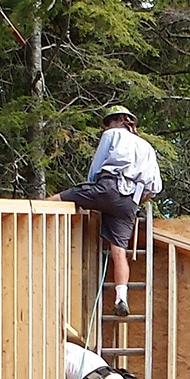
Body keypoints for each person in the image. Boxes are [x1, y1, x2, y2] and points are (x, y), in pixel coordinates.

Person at [55, 105, 163, 318]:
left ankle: (32, 212)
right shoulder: (147, 147)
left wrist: (92, 191)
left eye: (109, 123)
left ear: (118, 121)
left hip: (109, 187)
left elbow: (96, 168)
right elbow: (155, 187)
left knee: (63, 197)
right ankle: (121, 297)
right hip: (131, 201)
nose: (107, 127)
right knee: (118, 251)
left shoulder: (112, 135)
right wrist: (134, 202)